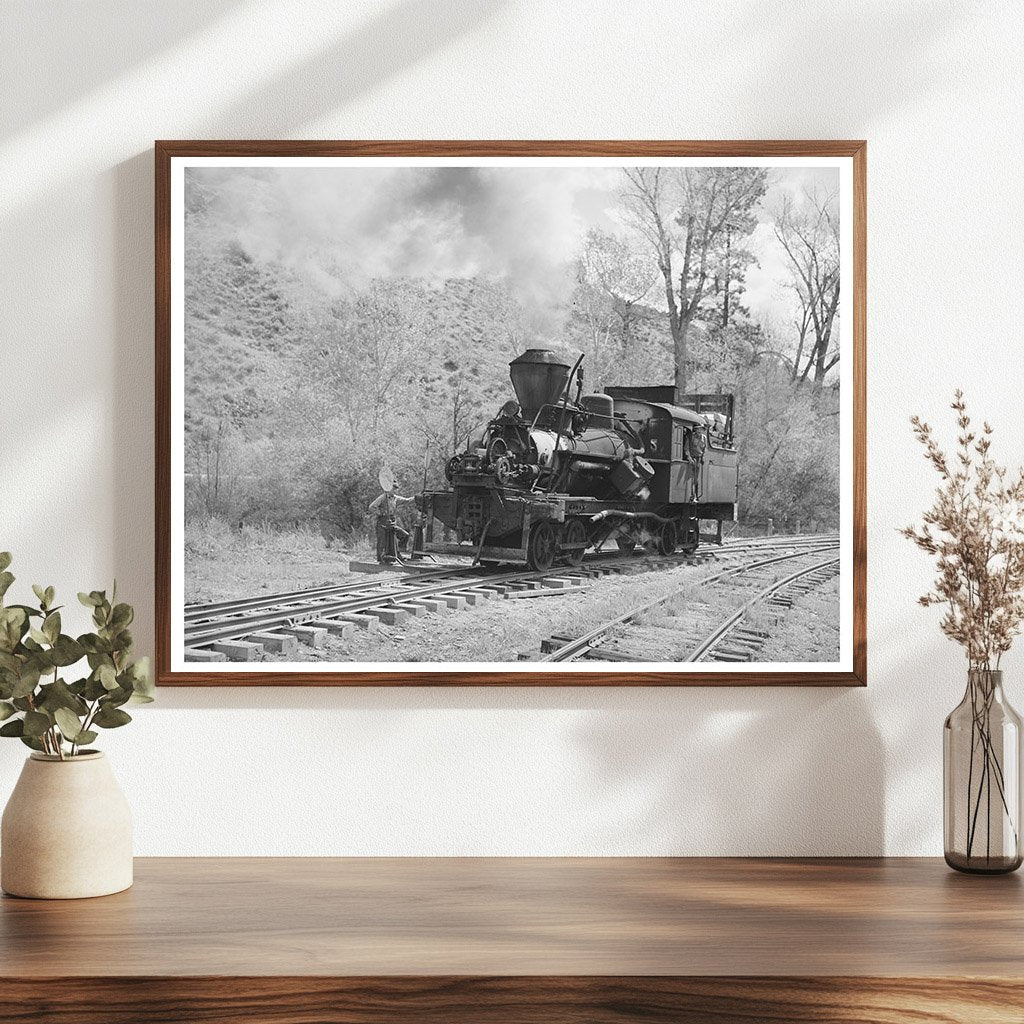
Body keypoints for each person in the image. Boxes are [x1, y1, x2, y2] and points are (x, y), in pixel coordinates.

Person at [368, 487, 415, 563]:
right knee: (382, 541)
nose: (395, 490)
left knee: (404, 535)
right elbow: (371, 507)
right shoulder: (383, 497)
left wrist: (415, 497)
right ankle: (381, 559)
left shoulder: (395, 498)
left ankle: (397, 554)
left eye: (396, 488)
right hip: (383, 521)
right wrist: (380, 513)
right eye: (394, 488)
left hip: (392, 521)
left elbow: (407, 500)